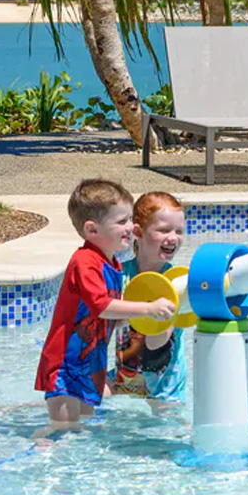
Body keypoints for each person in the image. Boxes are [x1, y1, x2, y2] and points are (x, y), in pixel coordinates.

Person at [35, 179, 175, 430]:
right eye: (121, 222)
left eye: (131, 219)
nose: (131, 227)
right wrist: (147, 308)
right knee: (62, 427)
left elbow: (110, 316)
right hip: (65, 365)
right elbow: (102, 306)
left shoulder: (112, 265)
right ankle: (38, 453)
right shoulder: (84, 262)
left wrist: (143, 320)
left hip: (91, 363)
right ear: (92, 230)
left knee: (84, 428)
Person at [109, 191, 187, 409]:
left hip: (164, 390)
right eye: (163, 230)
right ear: (138, 232)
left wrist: (153, 311)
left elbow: (156, 347)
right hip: (124, 378)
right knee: (73, 399)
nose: (173, 238)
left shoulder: (176, 283)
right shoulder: (120, 275)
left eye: (179, 231)